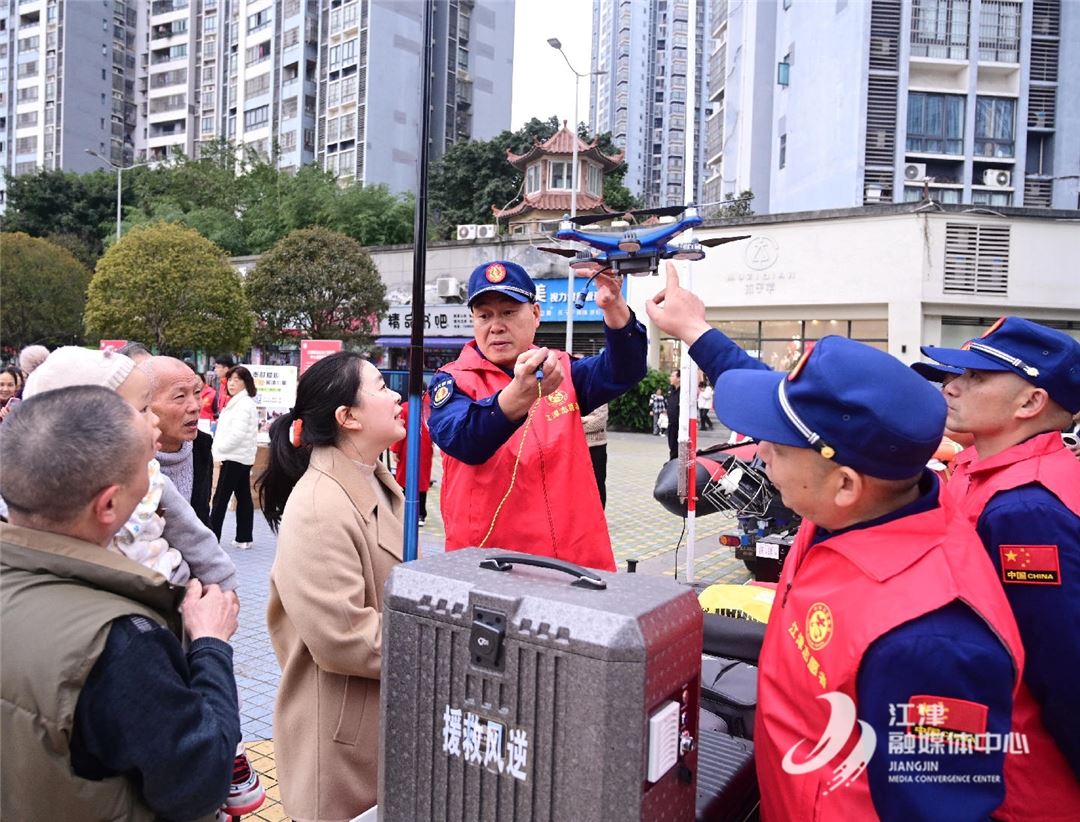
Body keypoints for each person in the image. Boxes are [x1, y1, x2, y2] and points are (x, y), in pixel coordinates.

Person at [647, 264, 1049, 819]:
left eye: (777, 446)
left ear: (845, 484)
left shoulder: (933, 642)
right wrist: (695, 329)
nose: (758, 453)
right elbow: (802, 406)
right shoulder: (863, 505)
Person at [0, 386, 242, 820]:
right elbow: (199, 783)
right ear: (109, 504)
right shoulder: (121, 640)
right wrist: (210, 644)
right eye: (146, 471)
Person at [919, 317, 1080, 814]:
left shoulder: (1026, 509)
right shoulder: (977, 467)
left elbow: (1064, 668)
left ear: (1031, 403)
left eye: (977, 377)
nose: (952, 386)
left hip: (1021, 782)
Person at [258, 352, 406, 820]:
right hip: (341, 737)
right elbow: (344, 638)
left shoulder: (378, 483)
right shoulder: (321, 505)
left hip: (380, 719)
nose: (397, 396)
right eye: (381, 387)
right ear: (348, 417)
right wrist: (438, 647)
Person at [427, 260, 647, 572]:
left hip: (574, 564)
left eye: (508, 312)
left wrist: (614, 309)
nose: (496, 326)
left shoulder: (562, 370)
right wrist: (519, 395)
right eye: (484, 315)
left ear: (536, 314)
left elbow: (626, 370)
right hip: (490, 567)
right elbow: (463, 440)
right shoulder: (451, 381)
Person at [22, 346, 237, 592]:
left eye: (197, 393)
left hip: (172, 595)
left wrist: (223, 588)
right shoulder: (43, 493)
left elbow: (198, 537)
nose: (194, 406)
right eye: (143, 409)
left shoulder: (163, 472)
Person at [151, 356, 215, 526]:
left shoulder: (202, 446)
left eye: (197, 392)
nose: (195, 406)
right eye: (180, 396)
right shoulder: (125, 458)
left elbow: (202, 517)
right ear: (145, 404)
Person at [211, 365, 259, 549]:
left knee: (220, 499)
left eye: (236, 380)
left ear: (245, 383)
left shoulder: (243, 404)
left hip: (233, 457)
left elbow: (236, 435)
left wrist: (219, 450)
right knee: (243, 497)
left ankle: (212, 538)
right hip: (241, 457)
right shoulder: (240, 403)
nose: (232, 383)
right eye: (230, 379)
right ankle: (244, 537)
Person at [389, 390, 433, 525]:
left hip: (408, 448)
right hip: (425, 448)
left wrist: (395, 450)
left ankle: (404, 512)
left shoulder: (406, 408)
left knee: (405, 480)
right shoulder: (430, 408)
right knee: (422, 481)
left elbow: (399, 429)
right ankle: (421, 514)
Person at [581, 402, 609, 508]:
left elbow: (599, 422)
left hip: (596, 447)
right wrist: (586, 419)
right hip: (572, 447)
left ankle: (599, 519)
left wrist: (573, 422)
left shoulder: (599, 393)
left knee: (597, 485)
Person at [213, 355, 236, 421]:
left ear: (226, 369)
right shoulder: (222, 383)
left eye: (217, 367)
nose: (215, 370)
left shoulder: (233, 384)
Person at [666, 368, 681, 461]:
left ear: (679, 378)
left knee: (678, 446)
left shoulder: (683, 391)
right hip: (671, 423)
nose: (670, 378)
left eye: (672, 376)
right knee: (672, 444)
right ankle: (672, 461)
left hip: (680, 424)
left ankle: (675, 462)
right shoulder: (670, 390)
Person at [197, 367, 217, 434]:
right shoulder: (190, 394)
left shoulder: (212, 393)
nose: (196, 384)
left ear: (203, 381)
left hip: (208, 425)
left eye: (198, 381)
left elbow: (216, 411)